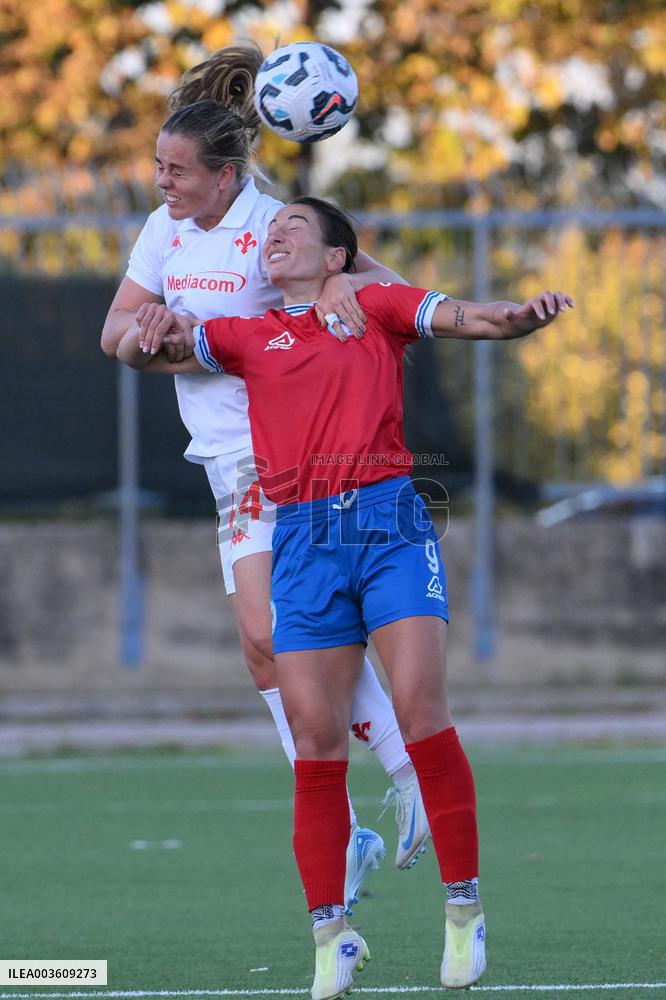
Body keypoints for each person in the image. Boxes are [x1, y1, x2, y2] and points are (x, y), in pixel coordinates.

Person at [116, 196, 574, 997]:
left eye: (296, 226)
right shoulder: (242, 336)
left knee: (422, 710)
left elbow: (478, 319)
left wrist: (522, 315)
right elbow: (142, 352)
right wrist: (148, 332)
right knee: (315, 742)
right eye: (273, 229)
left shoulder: (374, 305)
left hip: (388, 521)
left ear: (336, 256)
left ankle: (463, 912)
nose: (276, 234)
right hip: (300, 541)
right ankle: (332, 938)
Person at [100, 43, 431, 910]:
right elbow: (115, 337)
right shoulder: (165, 228)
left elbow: (381, 287)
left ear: (225, 176)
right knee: (261, 646)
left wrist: (366, 297)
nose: (162, 183)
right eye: (158, 168)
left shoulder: (276, 227)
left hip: (278, 455)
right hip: (219, 461)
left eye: (177, 171)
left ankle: (404, 771)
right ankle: (358, 822)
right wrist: (158, 331)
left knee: (276, 629)